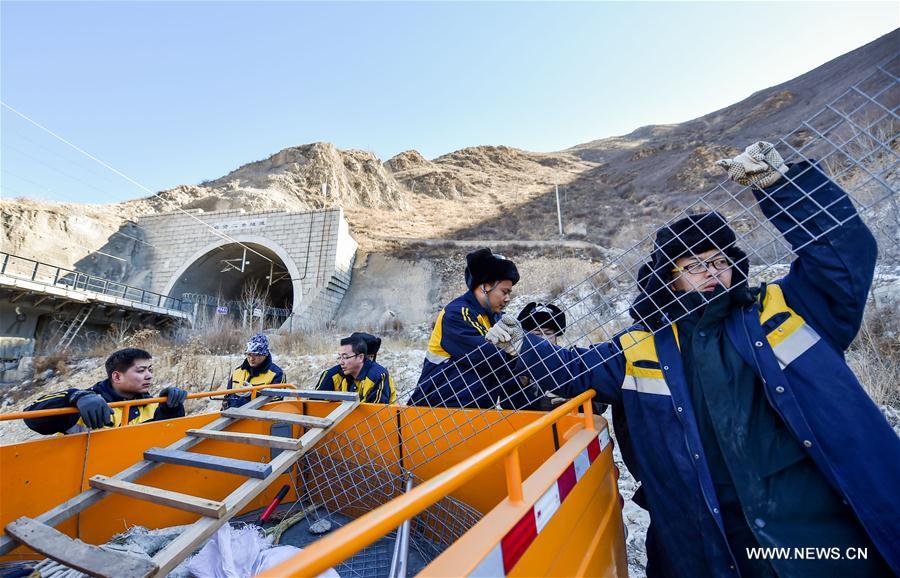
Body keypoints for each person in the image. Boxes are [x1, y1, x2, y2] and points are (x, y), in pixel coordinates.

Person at [487, 142, 900, 577]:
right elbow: (573, 369)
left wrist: (782, 187)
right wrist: (522, 344)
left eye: (719, 260)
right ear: (670, 280)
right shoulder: (640, 347)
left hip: (816, 529)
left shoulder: (780, 309)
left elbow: (844, 257)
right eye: (695, 264)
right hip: (712, 538)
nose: (712, 270)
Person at [409, 248, 534, 409]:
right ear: (485, 286)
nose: (508, 298)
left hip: (472, 411)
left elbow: (505, 370)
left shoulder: (494, 318)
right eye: (504, 291)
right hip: (436, 411)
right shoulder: (457, 314)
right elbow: (489, 357)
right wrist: (524, 353)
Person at [24, 348, 187, 435]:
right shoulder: (85, 404)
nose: (149, 375)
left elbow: (165, 440)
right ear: (116, 376)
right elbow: (32, 417)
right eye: (141, 370)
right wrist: (73, 396)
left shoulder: (151, 405)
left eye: (150, 369)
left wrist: (171, 409)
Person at [317, 334, 395, 403]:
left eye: (371, 357)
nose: (368, 361)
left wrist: (342, 402)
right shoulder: (333, 375)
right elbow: (315, 403)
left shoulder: (378, 375)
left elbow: (375, 413)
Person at [223, 334, 285, 409]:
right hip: (231, 416)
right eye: (249, 354)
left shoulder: (277, 374)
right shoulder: (237, 372)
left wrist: (254, 393)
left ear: (265, 354)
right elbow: (226, 398)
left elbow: (277, 400)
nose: (251, 358)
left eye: (256, 355)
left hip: (259, 418)